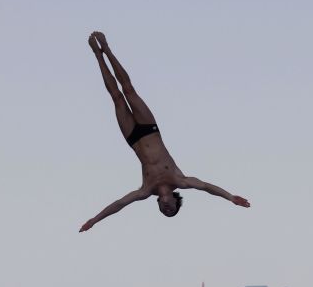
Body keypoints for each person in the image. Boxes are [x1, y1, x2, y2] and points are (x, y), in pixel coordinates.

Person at [80, 31, 249, 232]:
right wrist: (230, 197)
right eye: (172, 210)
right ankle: (106, 49)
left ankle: (97, 55)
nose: (167, 208)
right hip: (150, 130)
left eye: (164, 211)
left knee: (116, 97)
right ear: (177, 202)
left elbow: (119, 204)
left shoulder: (145, 190)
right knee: (129, 90)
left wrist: (95, 220)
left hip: (133, 137)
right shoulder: (180, 180)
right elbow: (206, 187)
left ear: (159, 204)